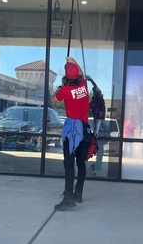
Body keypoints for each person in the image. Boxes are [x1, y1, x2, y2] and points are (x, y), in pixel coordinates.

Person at [51, 56, 90, 211]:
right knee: (81, 163)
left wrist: (61, 87)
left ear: (66, 77)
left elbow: (53, 100)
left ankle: (68, 198)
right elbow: (80, 73)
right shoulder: (83, 85)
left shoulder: (65, 91)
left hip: (73, 132)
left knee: (69, 164)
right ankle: (78, 193)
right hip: (85, 130)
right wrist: (74, 62)